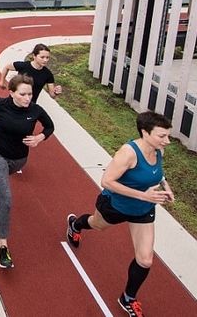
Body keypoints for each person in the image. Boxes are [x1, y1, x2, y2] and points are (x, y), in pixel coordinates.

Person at [65, 111, 174, 317]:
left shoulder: (158, 150)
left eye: (168, 136)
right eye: (162, 136)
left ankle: (128, 298)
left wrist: (165, 186)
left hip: (142, 210)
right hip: (116, 205)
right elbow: (107, 182)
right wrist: (144, 195)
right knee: (97, 225)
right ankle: (76, 225)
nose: (167, 141)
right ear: (145, 132)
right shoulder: (128, 153)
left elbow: (159, 173)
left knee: (145, 260)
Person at [0, 74, 55, 268]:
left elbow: (50, 126)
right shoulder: (1, 104)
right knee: (6, 199)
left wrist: (39, 138)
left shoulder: (35, 110)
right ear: (12, 93)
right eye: (23, 94)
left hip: (19, 160)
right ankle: (3, 246)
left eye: (30, 94)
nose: (28, 98)